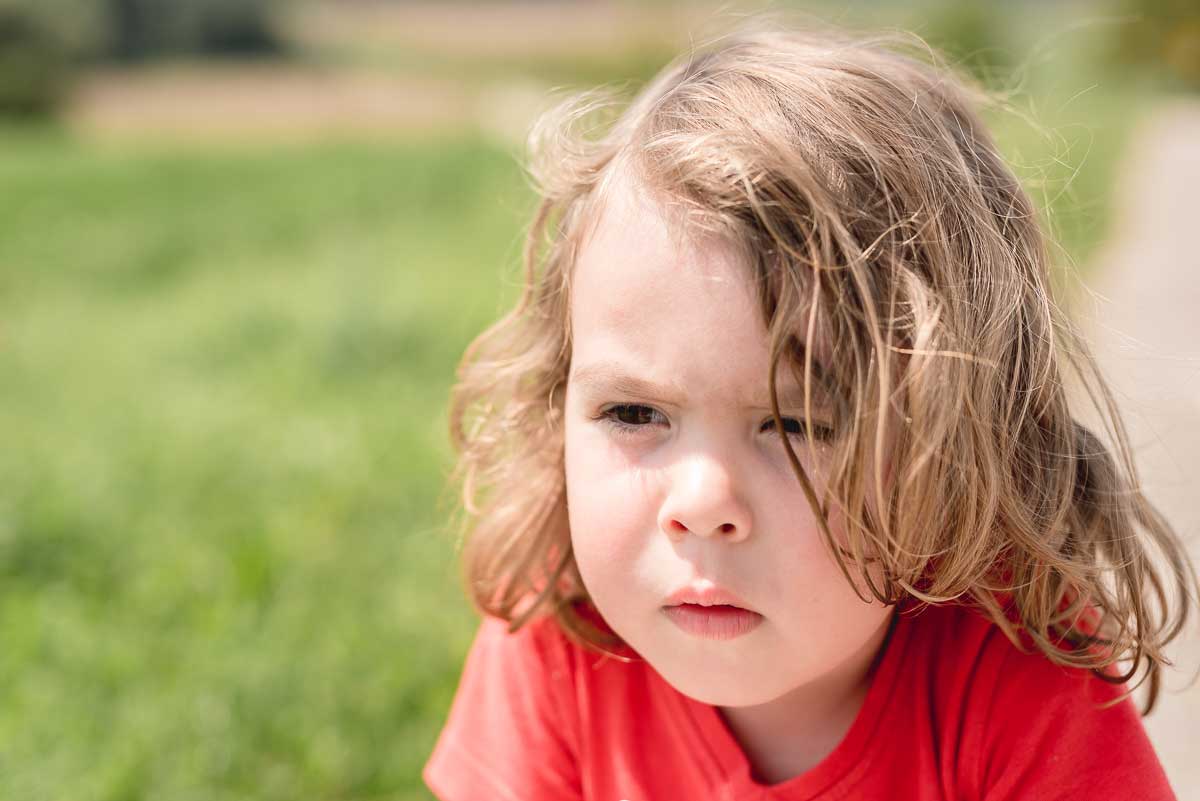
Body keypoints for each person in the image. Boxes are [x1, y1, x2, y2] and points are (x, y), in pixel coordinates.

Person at [423, 16, 1198, 801]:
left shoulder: (1012, 675)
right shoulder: (561, 635)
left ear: (958, 444)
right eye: (633, 412)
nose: (701, 502)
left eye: (796, 426)